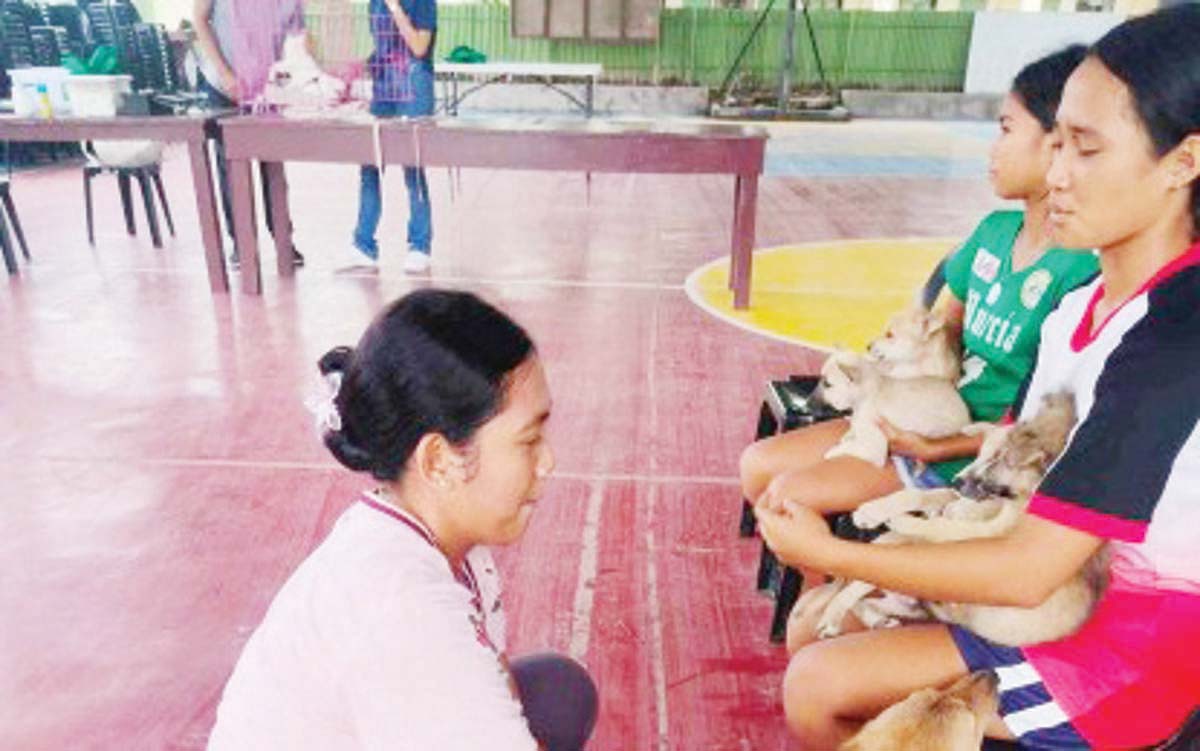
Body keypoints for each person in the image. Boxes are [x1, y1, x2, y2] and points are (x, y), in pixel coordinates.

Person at [756, 7, 1200, 749]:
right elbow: (1016, 453)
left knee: (819, 683)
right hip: (1054, 594)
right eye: (1054, 143)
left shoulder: (1173, 340)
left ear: (1184, 162)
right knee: (816, 631)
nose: (1055, 175)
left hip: (1120, 647)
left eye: (1086, 150)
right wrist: (934, 474)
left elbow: (1030, 570)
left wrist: (834, 553)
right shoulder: (1077, 306)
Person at [740, 47, 1099, 580]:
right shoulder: (991, 236)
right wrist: (876, 373)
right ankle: (840, 584)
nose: (993, 147)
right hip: (917, 414)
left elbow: (1042, 425)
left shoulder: (1081, 272)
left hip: (966, 449)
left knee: (791, 495)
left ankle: (852, 590)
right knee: (759, 467)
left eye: (1005, 129)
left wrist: (934, 444)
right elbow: (933, 334)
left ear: (1058, 144)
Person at [208, 290, 598, 750]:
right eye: (528, 440)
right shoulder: (402, 606)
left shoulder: (435, 536)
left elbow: (496, 676)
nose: (547, 460)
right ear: (438, 461)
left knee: (558, 692)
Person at [192, 0, 305, 269]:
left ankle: (282, 239)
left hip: (266, 83)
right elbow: (199, 19)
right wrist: (226, 74)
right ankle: (241, 244)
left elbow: (296, 35)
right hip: (225, 84)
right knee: (231, 168)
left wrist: (291, 75)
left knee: (273, 165)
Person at [335, 0, 436, 274]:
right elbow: (384, 48)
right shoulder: (374, 3)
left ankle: (420, 246)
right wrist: (362, 67)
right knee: (370, 164)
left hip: (414, 88)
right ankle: (363, 245)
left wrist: (394, 7)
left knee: (412, 168)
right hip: (384, 90)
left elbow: (418, 47)